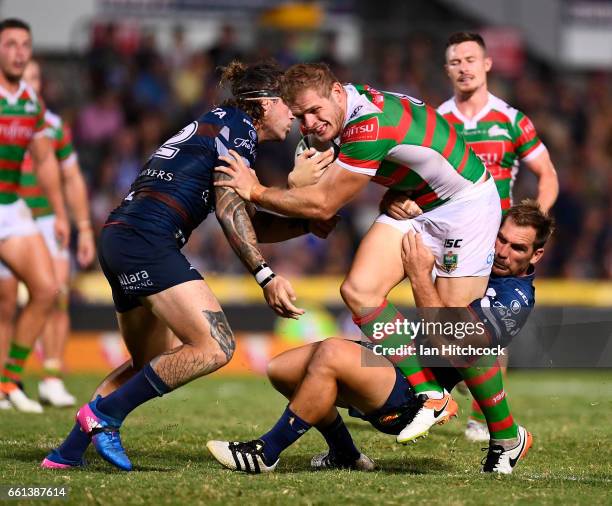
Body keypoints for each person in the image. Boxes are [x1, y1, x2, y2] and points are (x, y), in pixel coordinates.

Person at [41, 60, 335, 471]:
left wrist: (304, 219)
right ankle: (104, 417)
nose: (296, 117)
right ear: (266, 104)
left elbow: (243, 220)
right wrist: (266, 274)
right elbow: (233, 213)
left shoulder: (221, 123)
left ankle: (67, 453)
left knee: (150, 363)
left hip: (122, 235)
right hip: (146, 241)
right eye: (290, 106)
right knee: (216, 346)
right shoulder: (239, 132)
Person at [215, 62, 501, 441]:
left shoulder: (369, 126)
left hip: (466, 205)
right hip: (418, 201)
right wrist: (297, 184)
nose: (310, 123)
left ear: (336, 92)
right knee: (358, 291)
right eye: (300, 116)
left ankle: (506, 436)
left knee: (453, 333)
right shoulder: (340, 109)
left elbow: (321, 205)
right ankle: (432, 394)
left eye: (315, 111)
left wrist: (255, 190)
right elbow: (318, 185)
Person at [207, 199, 553, 475]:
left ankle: (266, 452)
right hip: (392, 359)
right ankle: (345, 453)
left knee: (330, 352)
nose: (504, 252)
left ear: (536, 255)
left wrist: (419, 276)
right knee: (282, 369)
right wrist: (397, 202)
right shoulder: (474, 255)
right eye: (501, 239)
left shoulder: (514, 299)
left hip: (411, 393)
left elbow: (455, 344)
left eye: (518, 248)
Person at [438, 31, 558, 440]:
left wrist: (533, 223)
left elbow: (548, 175)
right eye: (455, 61)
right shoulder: (438, 120)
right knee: (449, 321)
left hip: (498, 244)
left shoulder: (509, 119)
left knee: (491, 332)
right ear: (447, 69)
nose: (464, 67)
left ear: (487, 64)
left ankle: (480, 418)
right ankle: (433, 398)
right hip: (452, 238)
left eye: (470, 59)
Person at [0, 59, 96, 409]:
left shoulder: (54, 126)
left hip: (45, 218)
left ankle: (51, 378)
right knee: (6, 302)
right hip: (12, 215)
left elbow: (71, 178)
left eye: (35, 76)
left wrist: (82, 226)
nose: (29, 81)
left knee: (56, 295)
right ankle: (6, 383)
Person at [0, 19, 69, 413]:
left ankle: (8, 382)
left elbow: (44, 162)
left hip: (10, 209)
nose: (18, 52)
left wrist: (60, 214)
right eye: (10, 44)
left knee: (46, 290)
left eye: (24, 44)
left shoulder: (30, 100)